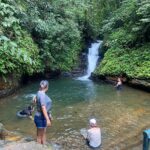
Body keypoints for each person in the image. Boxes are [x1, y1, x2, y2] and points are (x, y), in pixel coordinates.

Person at [34, 80, 52, 144]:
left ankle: (43, 146)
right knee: (40, 135)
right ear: (47, 87)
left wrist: (49, 115)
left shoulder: (38, 92)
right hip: (41, 117)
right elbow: (43, 107)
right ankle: (41, 147)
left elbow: (34, 100)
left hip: (39, 116)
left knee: (42, 134)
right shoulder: (42, 95)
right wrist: (48, 119)